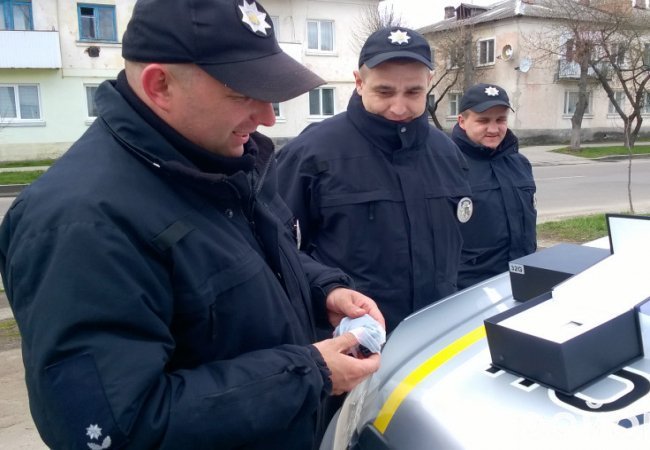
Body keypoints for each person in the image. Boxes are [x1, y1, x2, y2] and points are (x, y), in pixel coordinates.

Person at [0, 1, 384, 449]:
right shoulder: (80, 223)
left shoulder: (220, 162)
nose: (268, 117)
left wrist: (322, 292)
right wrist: (308, 374)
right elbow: (113, 429)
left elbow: (246, 261)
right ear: (160, 85)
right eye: (243, 94)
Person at [276, 27, 473, 333]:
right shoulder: (311, 154)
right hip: (352, 340)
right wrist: (328, 291)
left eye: (413, 92)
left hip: (437, 334)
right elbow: (276, 249)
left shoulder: (447, 153)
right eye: (384, 92)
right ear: (359, 82)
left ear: (429, 83)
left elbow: (460, 245)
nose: (399, 107)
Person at [452, 83, 537, 289]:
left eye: (500, 120)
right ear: (462, 121)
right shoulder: (447, 165)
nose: (493, 129)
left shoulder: (519, 163)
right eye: (483, 120)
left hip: (522, 278)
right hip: (469, 288)